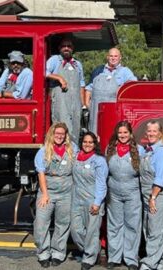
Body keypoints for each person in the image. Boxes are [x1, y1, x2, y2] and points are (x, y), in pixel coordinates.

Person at [33, 122, 78, 268]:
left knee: (62, 223)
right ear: (52, 134)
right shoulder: (44, 151)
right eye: (57, 133)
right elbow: (41, 174)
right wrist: (45, 194)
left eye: (62, 134)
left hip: (66, 192)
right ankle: (43, 253)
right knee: (41, 223)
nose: (59, 136)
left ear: (66, 136)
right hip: (48, 191)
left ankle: (58, 253)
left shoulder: (73, 149)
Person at [105, 121, 145, 270]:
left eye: (125, 133)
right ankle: (114, 257)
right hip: (113, 192)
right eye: (120, 133)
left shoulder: (139, 150)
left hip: (132, 192)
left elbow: (144, 174)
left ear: (130, 134)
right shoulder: (109, 149)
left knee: (132, 225)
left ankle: (131, 259)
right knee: (114, 225)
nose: (122, 135)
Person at [71, 131, 108, 270]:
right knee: (75, 230)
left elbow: (101, 184)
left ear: (95, 144)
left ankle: (89, 258)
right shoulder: (75, 156)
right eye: (85, 142)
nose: (87, 144)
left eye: (90, 142)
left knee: (92, 231)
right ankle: (94, 249)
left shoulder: (99, 161)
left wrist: (97, 202)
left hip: (93, 199)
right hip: (76, 199)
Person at [139, 120, 163, 270]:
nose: (151, 133)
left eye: (154, 131)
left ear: (160, 133)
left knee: (156, 232)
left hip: (157, 196)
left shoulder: (162, 152)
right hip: (147, 195)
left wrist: (153, 198)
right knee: (150, 230)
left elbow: (160, 177)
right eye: (149, 131)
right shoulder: (147, 151)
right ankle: (161, 263)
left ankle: (148, 263)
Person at [85, 48, 137, 133]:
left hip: (114, 110)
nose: (113, 58)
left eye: (116, 56)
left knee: (112, 132)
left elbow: (133, 84)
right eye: (111, 56)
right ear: (107, 57)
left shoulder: (125, 71)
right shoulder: (98, 70)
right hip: (97, 111)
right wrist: (87, 104)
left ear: (120, 57)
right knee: (95, 133)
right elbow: (89, 88)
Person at [46, 38, 87, 143]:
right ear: (60, 48)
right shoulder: (54, 60)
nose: (66, 48)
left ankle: (74, 152)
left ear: (72, 49)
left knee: (76, 128)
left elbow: (82, 84)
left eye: (69, 46)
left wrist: (83, 105)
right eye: (64, 46)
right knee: (62, 127)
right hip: (61, 101)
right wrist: (59, 78)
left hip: (76, 102)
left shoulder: (77, 64)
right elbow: (44, 72)